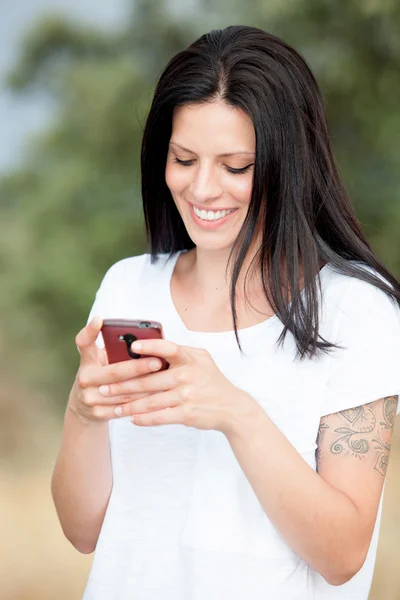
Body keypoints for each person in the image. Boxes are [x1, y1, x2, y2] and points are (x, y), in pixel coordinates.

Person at [51, 25, 400, 600]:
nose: (203, 189)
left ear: (289, 165)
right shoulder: (127, 286)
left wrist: (236, 413)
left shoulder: (355, 310)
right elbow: (83, 530)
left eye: (236, 166)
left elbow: (342, 554)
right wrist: (84, 414)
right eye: (184, 159)